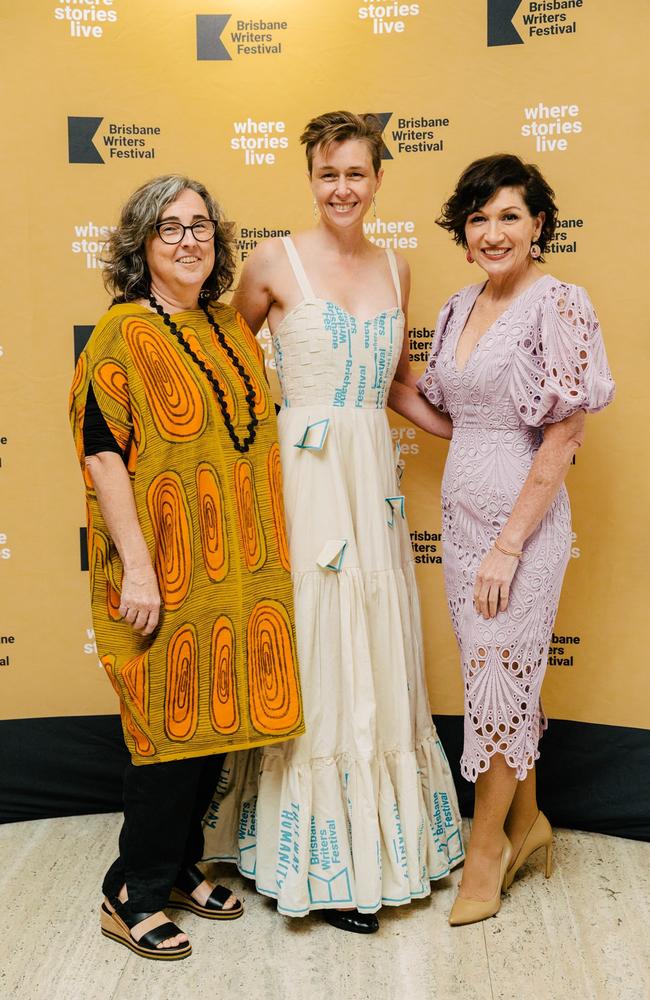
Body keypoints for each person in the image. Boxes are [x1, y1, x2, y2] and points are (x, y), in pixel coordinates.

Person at [203, 111, 464, 934]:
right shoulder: (273, 261)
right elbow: (228, 367)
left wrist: (474, 430)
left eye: (356, 173)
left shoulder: (398, 266)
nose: (342, 188)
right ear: (309, 180)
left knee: (375, 641)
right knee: (317, 640)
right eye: (327, 174)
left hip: (371, 482)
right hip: (306, 480)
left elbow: (396, 385)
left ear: (379, 178)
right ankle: (315, 861)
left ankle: (375, 851)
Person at [69, 175, 304, 960]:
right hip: (163, 569)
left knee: (217, 726)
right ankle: (128, 892)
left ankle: (172, 872)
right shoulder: (119, 334)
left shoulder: (227, 328)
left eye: (200, 226)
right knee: (167, 732)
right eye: (168, 228)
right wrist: (138, 568)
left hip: (235, 572)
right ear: (141, 244)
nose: (188, 240)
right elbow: (103, 460)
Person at [412, 154, 615, 925]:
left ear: (538, 226)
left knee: (498, 683)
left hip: (519, 534)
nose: (492, 232)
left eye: (508, 216)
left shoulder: (559, 304)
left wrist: (508, 545)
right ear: (463, 233)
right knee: (498, 684)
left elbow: (563, 438)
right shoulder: (461, 306)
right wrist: (370, 377)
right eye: (478, 218)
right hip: (460, 526)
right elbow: (452, 417)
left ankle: (486, 848)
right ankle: (529, 827)